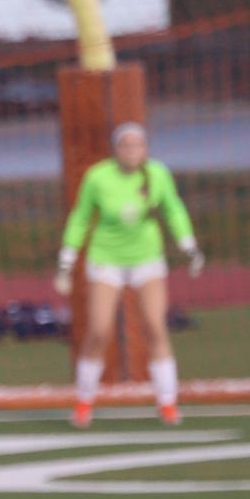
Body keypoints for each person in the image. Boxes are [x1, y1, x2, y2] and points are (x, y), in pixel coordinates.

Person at [55, 122, 204, 428]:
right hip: (106, 258)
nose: (132, 151)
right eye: (126, 145)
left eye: (138, 145)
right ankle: (84, 402)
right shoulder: (98, 177)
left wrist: (188, 245)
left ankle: (167, 403)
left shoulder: (157, 174)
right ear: (115, 149)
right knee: (98, 330)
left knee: (154, 327)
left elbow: (173, 209)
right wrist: (67, 259)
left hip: (146, 259)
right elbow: (81, 218)